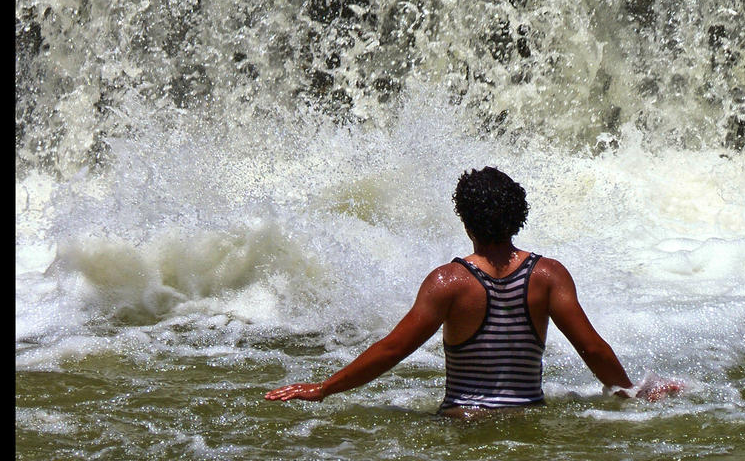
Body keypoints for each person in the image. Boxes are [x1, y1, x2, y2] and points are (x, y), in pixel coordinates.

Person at [265, 166, 682, 412]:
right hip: (526, 424)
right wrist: (631, 391)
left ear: (465, 222)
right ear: (519, 218)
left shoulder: (449, 282)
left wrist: (323, 388)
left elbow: (392, 350)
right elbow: (593, 350)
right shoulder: (548, 275)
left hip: (463, 425)